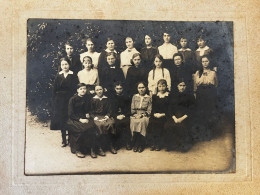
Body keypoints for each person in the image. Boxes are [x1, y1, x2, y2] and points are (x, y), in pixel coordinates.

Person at [50, 57, 79, 147]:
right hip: (60, 100)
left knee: (70, 117)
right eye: (63, 64)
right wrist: (55, 101)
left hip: (70, 99)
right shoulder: (59, 75)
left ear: (69, 65)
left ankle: (70, 138)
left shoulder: (73, 75)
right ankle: (63, 139)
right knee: (62, 119)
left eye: (66, 64)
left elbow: (76, 88)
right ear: (60, 66)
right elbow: (54, 89)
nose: (64, 66)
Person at [67, 83, 98, 158]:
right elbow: (70, 113)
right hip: (74, 119)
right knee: (82, 129)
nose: (83, 90)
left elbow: (89, 109)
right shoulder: (73, 99)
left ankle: (91, 149)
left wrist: (87, 113)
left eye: (84, 88)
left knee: (92, 127)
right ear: (77, 90)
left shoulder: (87, 98)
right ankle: (78, 149)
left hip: (84, 118)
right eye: (81, 89)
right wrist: (80, 119)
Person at [164, 80, 195, 152]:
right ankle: (171, 145)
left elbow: (192, 109)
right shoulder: (172, 95)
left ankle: (182, 145)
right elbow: (169, 108)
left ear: (186, 86)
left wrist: (182, 118)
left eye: (184, 85)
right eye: (180, 85)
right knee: (168, 125)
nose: (182, 87)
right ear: (177, 86)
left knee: (182, 126)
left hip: (185, 117)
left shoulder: (190, 96)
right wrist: (174, 118)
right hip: (174, 116)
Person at [193, 55, 218, 140]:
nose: (205, 63)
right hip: (200, 93)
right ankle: (201, 134)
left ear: (209, 62)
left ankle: (208, 134)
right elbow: (196, 83)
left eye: (206, 61)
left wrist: (207, 79)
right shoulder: (198, 72)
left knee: (209, 113)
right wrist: (203, 76)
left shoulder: (213, 73)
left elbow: (215, 83)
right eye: (203, 61)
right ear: (201, 63)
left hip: (209, 93)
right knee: (200, 113)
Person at [90, 85, 117, 156]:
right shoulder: (93, 99)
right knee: (99, 125)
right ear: (95, 91)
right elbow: (91, 111)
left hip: (105, 116)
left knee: (111, 123)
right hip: (96, 117)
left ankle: (111, 145)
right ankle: (99, 148)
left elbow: (110, 110)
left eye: (100, 89)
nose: (99, 91)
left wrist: (107, 116)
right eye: (97, 90)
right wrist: (94, 117)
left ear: (103, 90)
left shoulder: (106, 99)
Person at [147, 79, 170, 151]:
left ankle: (159, 144)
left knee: (160, 123)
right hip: (156, 114)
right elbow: (153, 107)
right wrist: (155, 114)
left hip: (165, 115)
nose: (161, 88)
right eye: (159, 86)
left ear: (166, 86)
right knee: (152, 122)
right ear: (157, 87)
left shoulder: (169, 95)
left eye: (163, 86)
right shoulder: (155, 96)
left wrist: (163, 114)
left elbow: (170, 108)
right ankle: (153, 143)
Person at [130, 82, 152, 153]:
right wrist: (136, 115)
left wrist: (142, 115)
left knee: (142, 122)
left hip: (144, 115)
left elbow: (149, 110)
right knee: (134, 121)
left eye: (143, 87)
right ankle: (136, 142)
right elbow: (132, 109)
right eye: (139, 88)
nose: (141, 89)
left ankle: (141, 143)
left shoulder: (149, 98)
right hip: (135, 114)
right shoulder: (134, 96)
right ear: (137, 89)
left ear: (146, 88)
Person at [111, 82, 132, 150]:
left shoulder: (126, 97)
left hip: (124, 115)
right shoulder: (112, 98)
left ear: (122, 89)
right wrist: (116, 116)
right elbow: (111, 109)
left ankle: (127, 142)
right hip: (116, 116)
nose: (119, 90)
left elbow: (129, 109)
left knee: (127, 123)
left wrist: (124, 115)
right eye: (117, 88)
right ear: (115, 89)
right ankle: (117, 143)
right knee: (116, 124)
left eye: (120, 88)